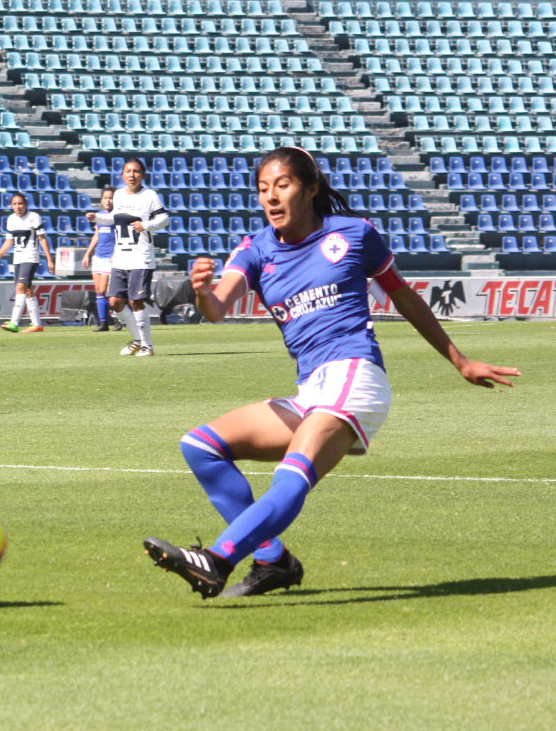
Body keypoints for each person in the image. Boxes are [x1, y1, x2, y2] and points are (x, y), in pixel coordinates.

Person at [144, 147, 519, 599]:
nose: (271, 197)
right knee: (201, 446)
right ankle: (271, 560)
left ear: (311, 187)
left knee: (291, 474)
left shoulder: (354, 235)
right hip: (313, 390)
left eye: (282, 185)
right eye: (263, 189)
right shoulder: (255, 249)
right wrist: (202, 292)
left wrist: (460, 360)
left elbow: (402, 296)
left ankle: (218, 560)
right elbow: (219, 308)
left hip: (356, 375)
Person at [106, 158, 167, 356]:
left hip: (141, 256)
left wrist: (146, 225)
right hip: (121, 257)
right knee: (115, 302)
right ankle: (137, 339)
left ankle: (147, 345)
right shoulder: (118, 195)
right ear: (122, 175)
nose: (132, 175)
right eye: (128, 171)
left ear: (143, 175)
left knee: (135, 301)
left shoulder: (150, 195)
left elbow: (164, 219)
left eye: (136, 171)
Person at [0, 191, 54, 333]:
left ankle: (14, 322)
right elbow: (9, 241)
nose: (18, 207)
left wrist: (49, 259)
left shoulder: (34, 217)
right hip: (17, 258)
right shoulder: (11, 219)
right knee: (28, 290)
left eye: (20, 203)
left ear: (26, 205)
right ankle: (37, 324)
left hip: (30, 257)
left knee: (20, 288)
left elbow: (42, 239)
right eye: (15, 204)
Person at [79, 186, 117, 331]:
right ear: (101, 200)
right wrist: (88, 253)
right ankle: (103, 323)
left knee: (105, 289)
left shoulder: (116, 216)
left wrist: (116, 253)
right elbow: (97, 235)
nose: (108, 200)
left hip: (110, 257)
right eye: (105, 198)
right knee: (98, 290)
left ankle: (117, 317)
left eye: (111, 198)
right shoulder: (100, 216)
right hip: (99, 256)